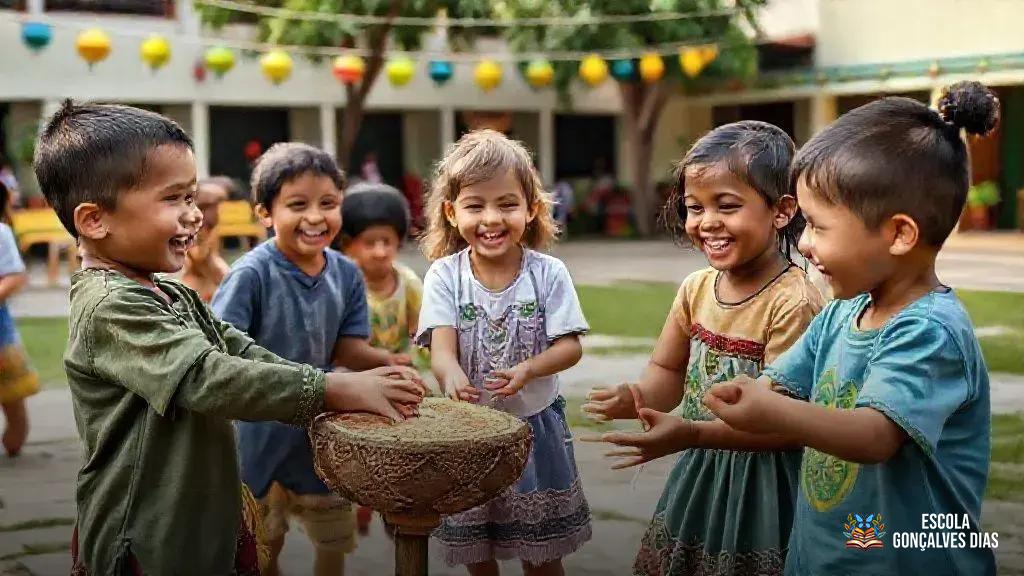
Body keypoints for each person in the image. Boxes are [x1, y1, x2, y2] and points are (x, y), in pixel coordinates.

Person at [32, 102, 425, 575]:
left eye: (192, 198)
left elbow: (237, 347)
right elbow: (207, 376)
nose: (194, 216)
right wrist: (332, 389)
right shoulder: (110, 306)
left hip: (202, 519)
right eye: (174, 199)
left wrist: (336, 386)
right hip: (146, 534)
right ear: (95, 220)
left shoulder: (170, 290)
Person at [701, 82, 999, 574]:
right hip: (825, 557)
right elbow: (780, 383)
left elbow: (874, 435)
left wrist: (768, 408)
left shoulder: (929, 331)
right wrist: (743, 396)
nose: (806, 245)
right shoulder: (843, 312)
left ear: (899, 234)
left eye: (818, 226)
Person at [585, 121, 824, 575]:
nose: (707, 222)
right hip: (701, 475)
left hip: (766, 484)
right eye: (695, 207)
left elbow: (788, 424)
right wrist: (637, 398)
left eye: (727, 206)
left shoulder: (792, 301)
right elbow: (667, 370)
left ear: (782, 211)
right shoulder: (696, 288)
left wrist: (691, 432)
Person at [212, 143, 413, 576]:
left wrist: (390, 362)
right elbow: (222, 355)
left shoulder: (345, 273)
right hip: (256, 437)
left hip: (320, 438)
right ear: (265, 213)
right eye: (297, 204)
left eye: (329, 203)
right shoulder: (250, 275)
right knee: (263, 544)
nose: (316, 217)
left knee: (333, 539)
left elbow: (346, 349)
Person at [417, 130, 591, 576]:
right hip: (472, 433)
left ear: (531, 208)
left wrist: (529, 369)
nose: (491, 218)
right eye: (475, 205)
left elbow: (569, 347)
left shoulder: (548, 274)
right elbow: (441, 350)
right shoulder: (444, 276)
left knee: (541, 553)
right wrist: (451, 375)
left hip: (535, 429)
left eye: (507, 204)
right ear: (452, 213)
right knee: (480, 551)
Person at [338, 181, 427, 534]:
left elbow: (422, 332)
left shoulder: (407, 281)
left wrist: (425, 358)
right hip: (354, 373)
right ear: (347, 245)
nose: (379, 251)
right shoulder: (345, 281)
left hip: (399, 371)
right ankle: (360, 496)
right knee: (359, 444)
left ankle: (397, 500)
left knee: (405, 438)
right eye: (368, 242)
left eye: (386, 242)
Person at [0, 178, 39, 457]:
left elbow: (15, 277)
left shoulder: (1, 233)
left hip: (1, 340)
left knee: (14, 405)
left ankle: (13, 445)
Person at [181, 176, 234, 302]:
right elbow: (199, 260)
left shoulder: (210, 231)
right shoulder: (187, 231)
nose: (217, 212)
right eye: (210, 206)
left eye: (219, 205)